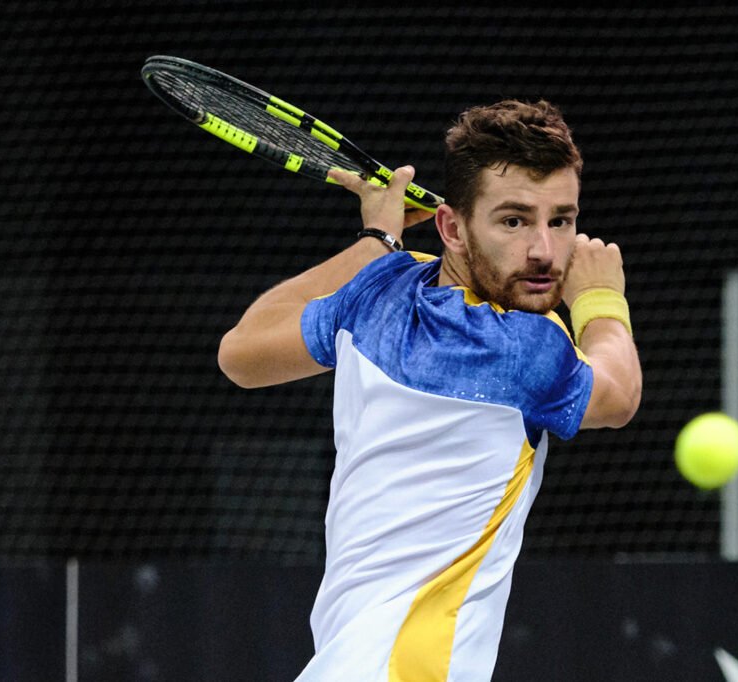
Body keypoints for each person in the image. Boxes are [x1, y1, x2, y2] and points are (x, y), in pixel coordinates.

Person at [217, 99, 642, 681]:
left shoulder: (378, 291)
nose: (544, 251)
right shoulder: (524, 346)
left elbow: (241, 352)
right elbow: (617, 396)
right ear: (452, 227)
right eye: (513, 221)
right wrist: (601, 298)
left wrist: (375, 240)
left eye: (560, 220)